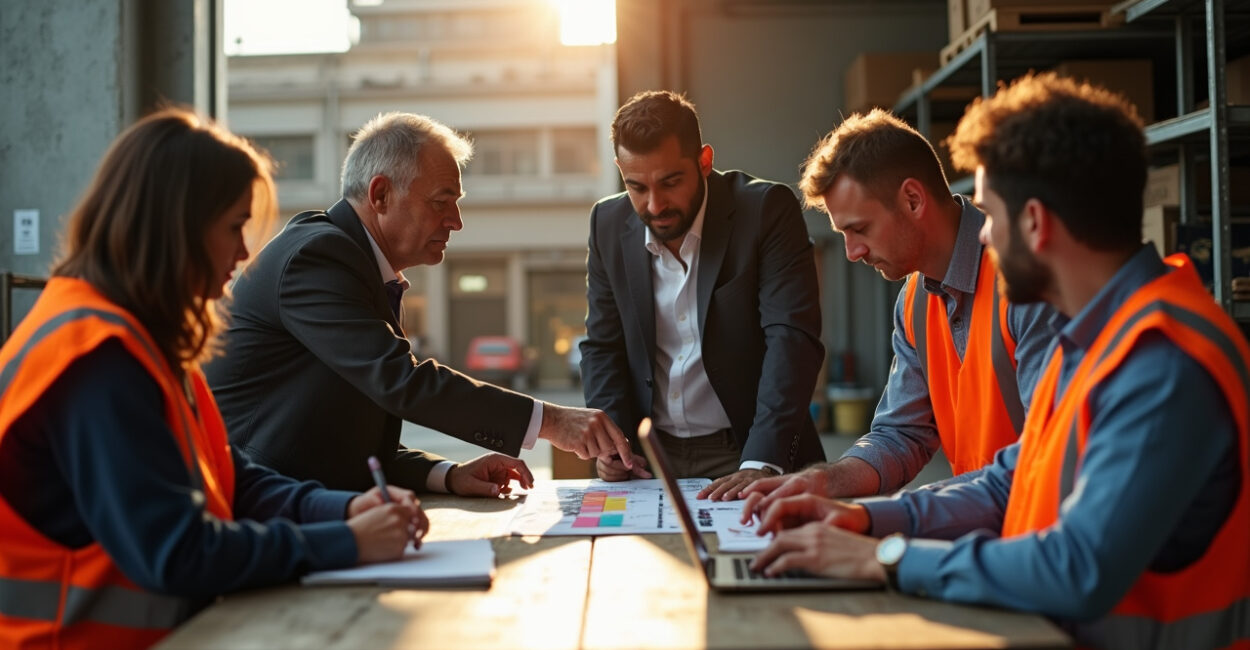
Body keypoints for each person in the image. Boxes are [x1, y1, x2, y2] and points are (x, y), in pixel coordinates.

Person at [749, 73, 1249, 649]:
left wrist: (885, 558)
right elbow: (1012, 480)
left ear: (1035, 222)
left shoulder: (1162, 362)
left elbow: (1076, 567)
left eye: (989, 214)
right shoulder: (1097, 339)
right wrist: (867, 521)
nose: (982, 237)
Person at [0, 108, 429, 648]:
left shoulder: (137, 340)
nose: (244, 253)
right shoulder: (98, 358)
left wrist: (343, 509)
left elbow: (232, 477)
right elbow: (177, 552)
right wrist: (344, 542)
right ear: (174, 228)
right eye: (233, 228)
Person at [205, 112, 633, 495]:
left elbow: (350, 440)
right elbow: (400, 382)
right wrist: (553, 422)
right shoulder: (317, 258)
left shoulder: (363, 268)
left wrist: (446, 474)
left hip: (307, 501)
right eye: (440, 202)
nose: (456, 221)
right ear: (380, 195)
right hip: (257, 504)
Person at [739, 110, 1054, 512]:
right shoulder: (914, 301)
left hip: (1041, 533)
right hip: (984, 523)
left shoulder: (1027, 284)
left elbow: (1043, 458)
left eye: (860, 229)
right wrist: (823, 480)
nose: (852, 253)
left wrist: (884, 516)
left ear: (912, 199)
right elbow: (901, 435)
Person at [581, 90, 826, 500]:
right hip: (647, 456)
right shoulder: (607, 222)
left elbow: (791, 338)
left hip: (749, 448)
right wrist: (614, 441)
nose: (654, 204)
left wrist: (761, 460)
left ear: (705, 162)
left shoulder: (765, 211)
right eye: (636, 186)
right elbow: (603, 345)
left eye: (670, 182)